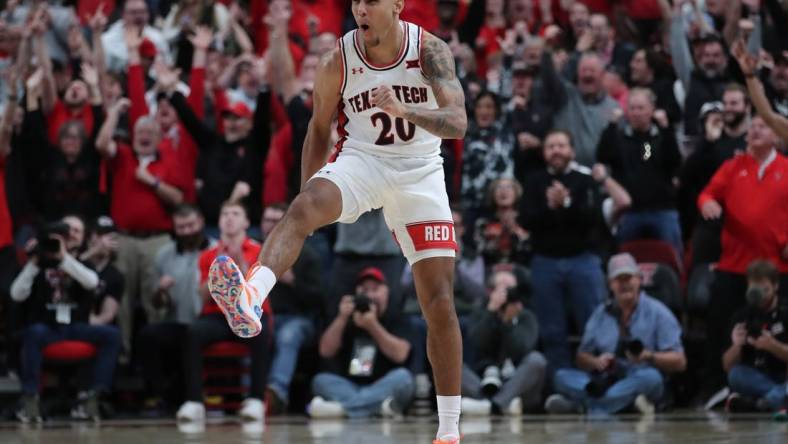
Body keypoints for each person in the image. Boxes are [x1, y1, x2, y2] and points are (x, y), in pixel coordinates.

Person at [206, 1, 468, 442]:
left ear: (398, 5)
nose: (361, 8)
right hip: (362, 161)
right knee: (303, 207)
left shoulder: (430, 51)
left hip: (420, 170)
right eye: (356, 1)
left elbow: (458, 123)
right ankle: (251, 296)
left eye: (372, 0)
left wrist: (406, 112)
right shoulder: (337, 61)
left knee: (438, 302)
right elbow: (319, 129)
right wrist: (307, 201)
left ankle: (448, 431)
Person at [698, 114, 788, 405]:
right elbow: (706, 194)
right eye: (752, 128)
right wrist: (708, 202)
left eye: (762, 126)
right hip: (735, 265)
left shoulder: (786, 169)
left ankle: (773, 391)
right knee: (720, 326)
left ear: (776, 134)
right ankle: (715, 387)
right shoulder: (733, 166)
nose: (755, 131)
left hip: (777, 267)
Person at [545, 253, 687, 416]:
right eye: (619, 280)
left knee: (651, 378)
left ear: (639, 280)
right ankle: (622, 405)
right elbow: (581, 357)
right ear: (610, 284)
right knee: (561, 376)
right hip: (605, 380)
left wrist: (648, 356)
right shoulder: (600, 313)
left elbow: (680, 362)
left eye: (629, 278)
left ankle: (585, 406)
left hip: (639, 375)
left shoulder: (659, 313)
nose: (624, 284)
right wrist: (596, 362)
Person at [10, 215, 121, 422]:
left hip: (76, 326)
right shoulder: (37, 262)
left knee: (112, 335)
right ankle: (30, 398)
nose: (70, 234)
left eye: (76, 231)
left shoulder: (83, 263)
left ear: (83, 238)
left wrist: (63, 258)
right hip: (46, 327)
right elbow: (16, 295)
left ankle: (93, 396)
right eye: (66, 229)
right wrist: (34, 261)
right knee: (33, 332)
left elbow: (92, 282)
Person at [520, 130, 613, 371]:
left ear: (572, 150)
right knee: (552, 329)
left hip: (582, 260)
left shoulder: (585, 180)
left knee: (593, 323)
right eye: (551, 146)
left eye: (561, 145)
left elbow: (593, 220)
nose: (556, 151)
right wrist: (551, 207)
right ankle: (560, 380)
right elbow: (527, 220)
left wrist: (567, 205)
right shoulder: (534, 181)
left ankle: (599, 375)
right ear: (544, 152)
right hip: (545, 262)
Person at [176, 201, 272, 422]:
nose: (229, 218)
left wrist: (239, 263)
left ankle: (256, 400)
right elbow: (201, 296)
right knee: (192, 333)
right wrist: (216, 274)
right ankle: (194, 402)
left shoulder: (260, 250)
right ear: (218, 222)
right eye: (225, 214)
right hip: (217, 315)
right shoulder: (208, 255)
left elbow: (258, 291)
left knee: (261, 333)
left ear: (247, 221)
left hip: (251, 312)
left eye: (236, 213)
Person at [308, 267, 414, 419]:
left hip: (383, 385)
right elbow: (325, 351)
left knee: (404, 378)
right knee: (320, 381)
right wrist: (342, 318)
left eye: (375, 289)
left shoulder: (396, 316)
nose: (370, 295)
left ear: (386, 292)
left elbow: (401, 355)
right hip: (349, 386)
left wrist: (372, 326)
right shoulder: (346, 317)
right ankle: (376, 408)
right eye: (364, 290)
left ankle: (342, 410)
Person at [136, 204, 212, 412]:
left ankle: (195, 395)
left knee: (193, 337)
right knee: (148, 335)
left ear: (201, 223)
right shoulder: (164, 255)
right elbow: (158, 303)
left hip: (209, 322)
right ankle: (160, 394)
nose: (187, 232)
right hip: (178, 321)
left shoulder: (216, 250)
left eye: (191, 225)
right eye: (181, 228)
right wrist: (160, 290)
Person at [596, 88, 683, 254]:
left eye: (641, 108)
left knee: (672, 254)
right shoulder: (619, 137)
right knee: (622, 257)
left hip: (661, 209)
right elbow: (603, 156)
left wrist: (665, 128)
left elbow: (672, 161)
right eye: (632, 108)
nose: (636, 113)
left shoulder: (653, 140)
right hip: (630, 212)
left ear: (652, 110)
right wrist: (611, 125)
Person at [261, 203, 323, 415]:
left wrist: (293, 281)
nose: (270, 226)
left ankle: (275, 393)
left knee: (288, 335)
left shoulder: (307, 254)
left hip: (298, 319)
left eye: (276, 221)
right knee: (248, 331)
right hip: (263, 317)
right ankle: (250, 395)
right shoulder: (254, 250)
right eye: (267, 220)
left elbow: (319, 299)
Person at [460, 268, 546, 416]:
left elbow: (521, 349)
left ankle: (490, 405)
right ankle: (500, 404)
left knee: (537, 360)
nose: (509, 294)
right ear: (490, 292)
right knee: (451, 365)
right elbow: (478, 342)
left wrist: (508, 323)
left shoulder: (526, 316)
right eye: (503, 289)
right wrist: (491, 313)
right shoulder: (480, 313)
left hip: (517, 383)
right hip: (482, 381)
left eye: (512, 289)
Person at [723, 260, 788, 413]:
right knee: (736, 375)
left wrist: (772, 346)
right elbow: (727, 366)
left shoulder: (785, 312)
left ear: (775, 286)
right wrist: (736, 345)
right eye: (754, 288)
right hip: (758, 377)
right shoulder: (742, 316)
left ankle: (759, 403)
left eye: (764, 288)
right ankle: (776, 398)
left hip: (784, 374)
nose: (760, 294)